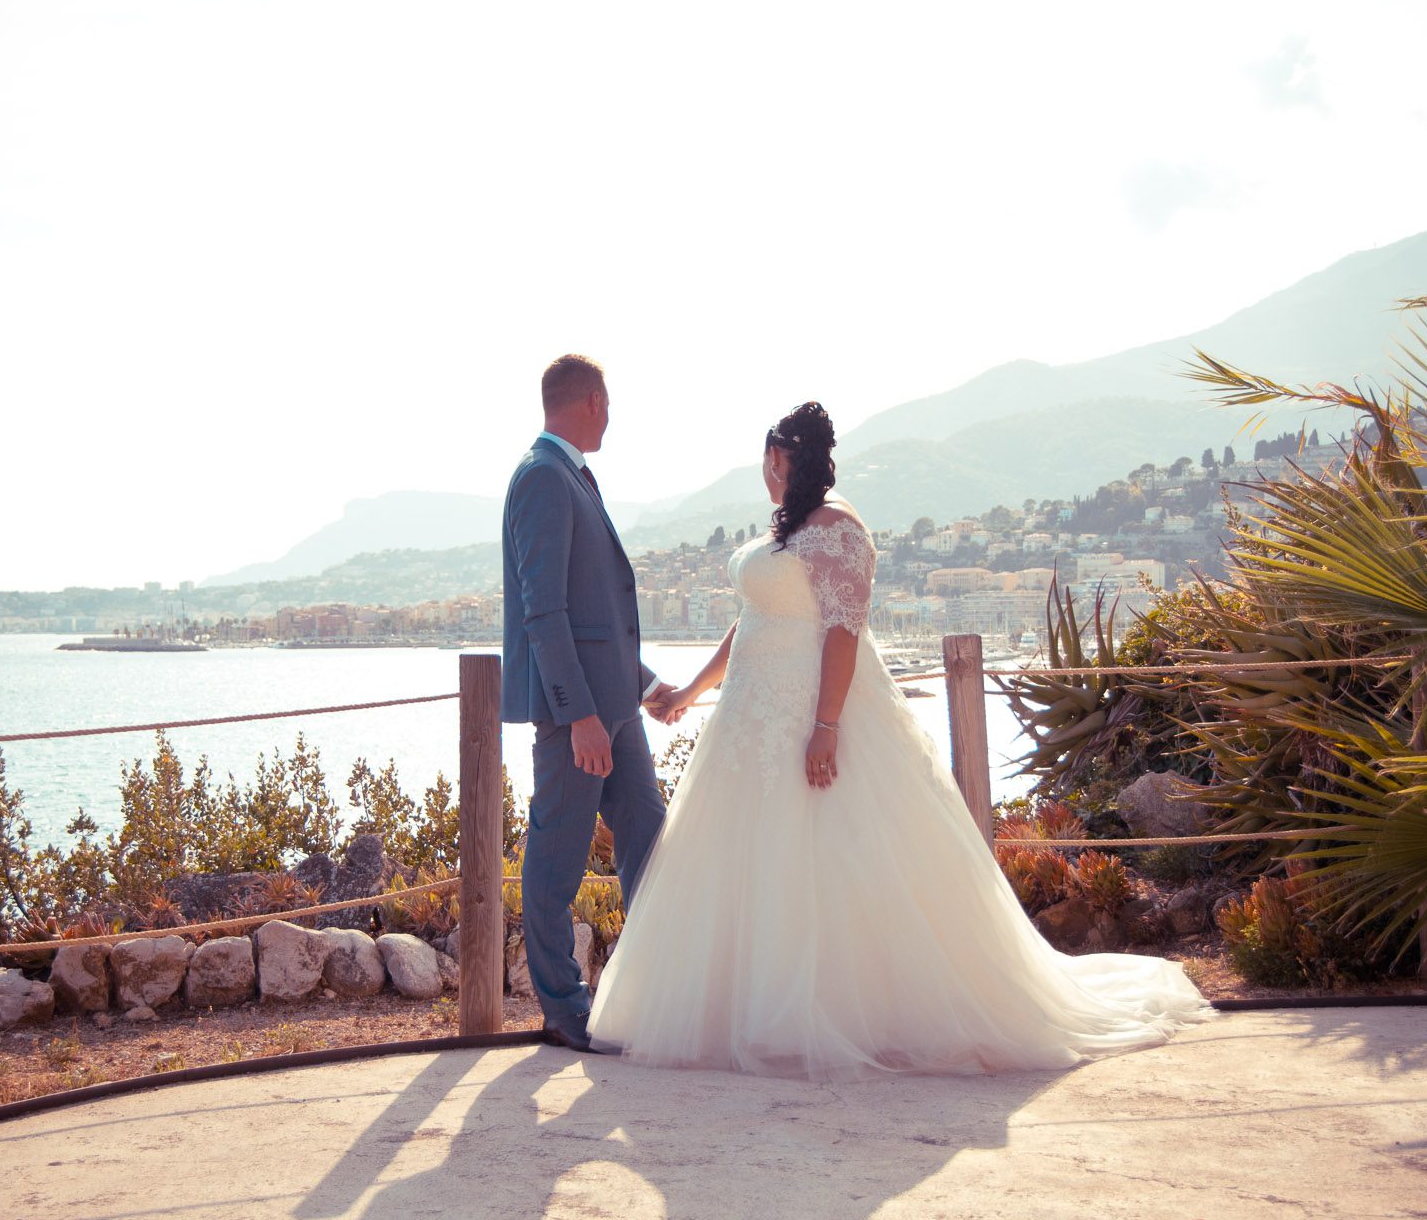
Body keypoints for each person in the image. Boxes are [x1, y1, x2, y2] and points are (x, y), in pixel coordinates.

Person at [588, 401, 1211, 1080]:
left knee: (830, 854)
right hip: (746, 725)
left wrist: (825, 727)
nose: (765, 470)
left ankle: (834, 1016)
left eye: (770, 457)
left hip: (806, 716)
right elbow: (752, 621)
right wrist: (689, 693)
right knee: (745, 859)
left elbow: (843, 632)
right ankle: (743, 1011)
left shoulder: (841, 531)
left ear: (787, 458)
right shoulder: (781, 531)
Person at [501, 353, 680, 1052]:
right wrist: (577, 714)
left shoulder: (572, 474)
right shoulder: (544, 477)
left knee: (649, 836)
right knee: (556, 860)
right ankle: (563, 1010)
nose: (612, 414)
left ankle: (657, 987)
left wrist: (642, 685)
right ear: (592, 400)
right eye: (609, 402)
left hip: (616, 712)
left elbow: (593, 615)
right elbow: (544, 612)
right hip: (575, 718)